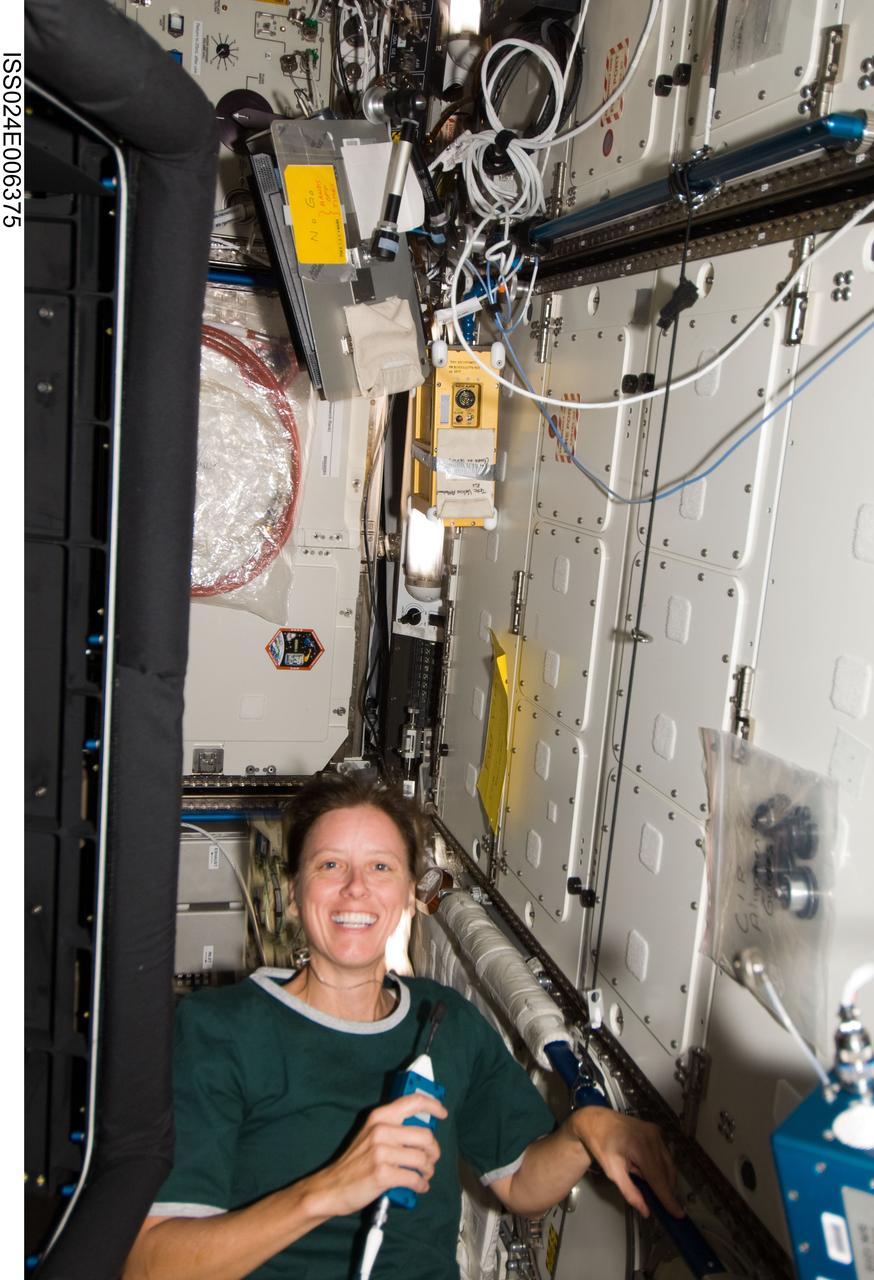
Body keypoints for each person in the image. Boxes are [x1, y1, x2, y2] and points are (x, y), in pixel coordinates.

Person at [123, 773, 683, 1280]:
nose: (356, 888)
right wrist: (327, 1192)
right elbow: (151, 1265)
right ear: (293, 895)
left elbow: (519, 1184)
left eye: (381, 867)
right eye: (329, 865)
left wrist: (585, 1132)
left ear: (409, 900)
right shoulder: (219, 1030)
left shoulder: (445, 1023)